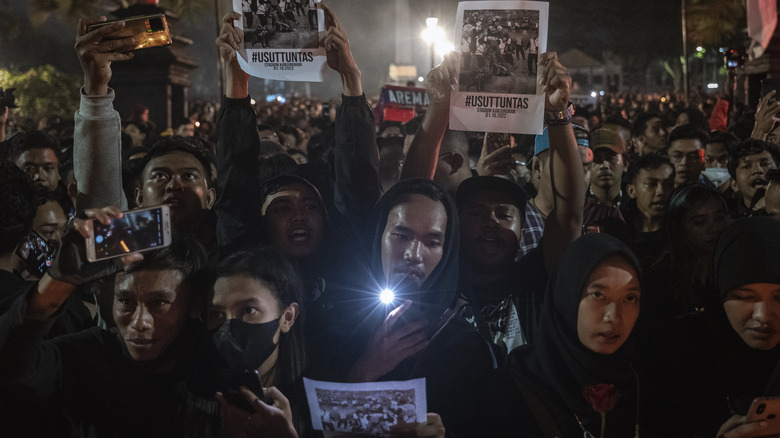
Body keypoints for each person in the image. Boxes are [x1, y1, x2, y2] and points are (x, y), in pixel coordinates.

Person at [0, 208, 211, 436]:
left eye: (159, 303)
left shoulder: (211, 370)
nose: (140, 322)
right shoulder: (89, 356)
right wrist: (56, 282)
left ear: (194, 305)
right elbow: (13, 365)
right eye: (125, 301)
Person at [330, 178, 492, 438]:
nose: (413, 255)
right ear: (378, 235)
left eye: (431, 242)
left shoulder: (463, 346)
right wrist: (364, 370)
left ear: (447, 251)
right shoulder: (336, 323)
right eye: (401, 236)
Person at [481, 233, 643, 437]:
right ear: (567, 297)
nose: (614, 316)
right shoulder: (512, 393)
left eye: (630, 298)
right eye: (598, 295)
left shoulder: (642, 383)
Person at [644, 217, 780, 437]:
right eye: (745, 297)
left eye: (779, 298)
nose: (763, 315)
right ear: (719, 292)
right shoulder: (678, 355)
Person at [179, 248, 306, 437]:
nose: (229, 327)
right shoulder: (191, 401)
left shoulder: (321, 401)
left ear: (287, 317)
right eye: (217, 314)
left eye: (248, 310)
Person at [644, 183, 730, 320]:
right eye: (700, 222)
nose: (714, 229)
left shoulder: (735, 268)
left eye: (719, 218)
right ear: (680, 227)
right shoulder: (660, 279)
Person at [622, 153, 675, 263]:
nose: (661, 192)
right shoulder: (620, 231)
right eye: (651, 184)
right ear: (632, 191)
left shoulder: (680, 233)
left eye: (668, 184)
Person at [726, 139, 780, 216]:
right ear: (734, 184)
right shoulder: (727, 219)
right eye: (747, 166)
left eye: (765, 164)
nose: (758, 170)